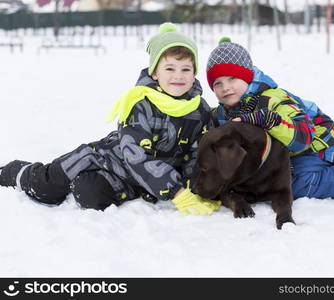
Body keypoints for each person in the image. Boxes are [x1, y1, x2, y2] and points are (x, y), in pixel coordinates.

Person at [0, 23, 220, 215]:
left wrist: (198, 188)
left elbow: (197, 153)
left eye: (186, 69)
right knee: (46, 186)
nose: (178, 75)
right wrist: (176, 192)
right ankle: (11, 172)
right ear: (155, 73)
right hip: (107, 159)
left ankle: (92, 182)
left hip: (140, 180)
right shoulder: (140, 104)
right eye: (169, 68)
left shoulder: (199, 110)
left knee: (90, 195)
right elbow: (135, 156)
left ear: (194, 73)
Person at [205, 37, 334, 200]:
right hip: (284, 153)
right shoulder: (222, 114)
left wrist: (269, 120)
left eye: (232, 78)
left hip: (317, 142)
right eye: (217, 83)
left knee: (297, 185)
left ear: (247, 76)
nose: (225, 87)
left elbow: (303, 138)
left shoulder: (273, 99)